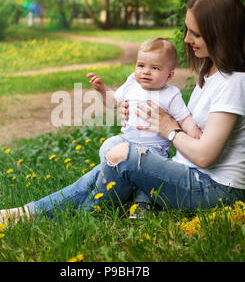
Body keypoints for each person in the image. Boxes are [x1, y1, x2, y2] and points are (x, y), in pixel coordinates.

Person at [0, 0, 245, 225]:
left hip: (217, 192)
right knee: (114, 157)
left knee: (123, 156)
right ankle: (21, 214)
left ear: (219, 33)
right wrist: (148, 116)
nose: (186, 39)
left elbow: (206, 155)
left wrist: (167, 128)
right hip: (188, 174)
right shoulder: (211, 72)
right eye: (187, 30)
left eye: (195, 33)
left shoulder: (237, 82)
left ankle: (84, 216)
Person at [86, 37, 202, 217]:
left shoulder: (171, 94)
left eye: (155, 68)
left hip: (153, 150)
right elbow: (114, 102)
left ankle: (141, 206)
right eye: (141, 65)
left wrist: (193, 131)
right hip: (126, 141)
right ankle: (114, 187)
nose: (145, 72)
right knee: (108, 145)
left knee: (146, 183)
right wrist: (102, 90)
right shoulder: (132, 82)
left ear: (169, 75)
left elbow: (184, 118)